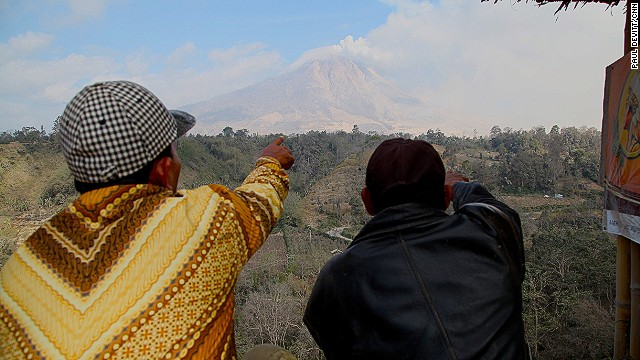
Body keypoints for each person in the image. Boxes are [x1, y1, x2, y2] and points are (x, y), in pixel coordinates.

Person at [0, 80, 296, 359]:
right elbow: (259, 201)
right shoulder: (205, 220)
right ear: (163, 170)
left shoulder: (20, 268)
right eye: (176, 153)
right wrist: (269, 161)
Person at [304, 138, 528, 360]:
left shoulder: (336, 278)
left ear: (367, 202)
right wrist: (459, 185)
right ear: (445, 198)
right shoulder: (489, 232)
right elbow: (494, 208)